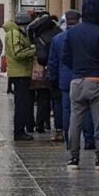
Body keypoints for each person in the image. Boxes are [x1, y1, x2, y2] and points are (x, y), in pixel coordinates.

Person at [63, 0, 99, 168]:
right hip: (96, 80)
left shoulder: (72, 32)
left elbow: (65, 57)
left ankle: (73, 158)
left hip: (76, 81)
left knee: (75, 121)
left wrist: (76, 68)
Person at [28, 10, 62, 138]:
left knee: (41, 98)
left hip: (41, 71)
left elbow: (41, 57)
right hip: (54, 71)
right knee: (52, 99)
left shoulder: (39, 36)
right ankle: (50, 125)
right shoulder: (58, 33)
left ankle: (38, 124)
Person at [4, 12, 37, 139]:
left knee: (24, 103)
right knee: (21, 103)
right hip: (19, 74)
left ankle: (21, 129)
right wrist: (33, 50)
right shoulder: (14, 34)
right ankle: (19, 132)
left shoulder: (18, 33)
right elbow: (17, 54)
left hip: (22, 72)